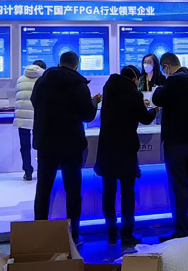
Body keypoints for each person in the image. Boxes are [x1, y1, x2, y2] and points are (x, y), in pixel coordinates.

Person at [31, 51, 101, 244]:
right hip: (71, 144)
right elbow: (88, 115)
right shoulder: (79, 85)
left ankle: (39, 233)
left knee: (43, 189)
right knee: (73, 191)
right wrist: (94, 102)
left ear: (60, 63)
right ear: (76, 66)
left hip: (46, 143)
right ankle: (74, 234)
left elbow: (34, 102)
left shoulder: (43, 81)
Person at [95, 65, 156, 247]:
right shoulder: (134, 94)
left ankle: (111, 232)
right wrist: (154, 110)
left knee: (108, 193)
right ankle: (127, 234)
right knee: (127, 194)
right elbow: (145, 119)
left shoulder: (109, 88)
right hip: (126, 150)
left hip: (107, 149)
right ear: (135, 79)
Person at [153, 52, 188, 240]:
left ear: (166, 66)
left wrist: (160, 86)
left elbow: (157, 99)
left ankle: (181, 230)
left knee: (178, 186)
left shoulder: (173, 81)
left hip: (176, 141)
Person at [14, 59, 47, 181]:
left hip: (22, 117)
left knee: (24, 146)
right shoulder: (44, 79)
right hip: (39, 117)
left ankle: (27, 172)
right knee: (41, 146)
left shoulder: (20, 79)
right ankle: (42, 171)